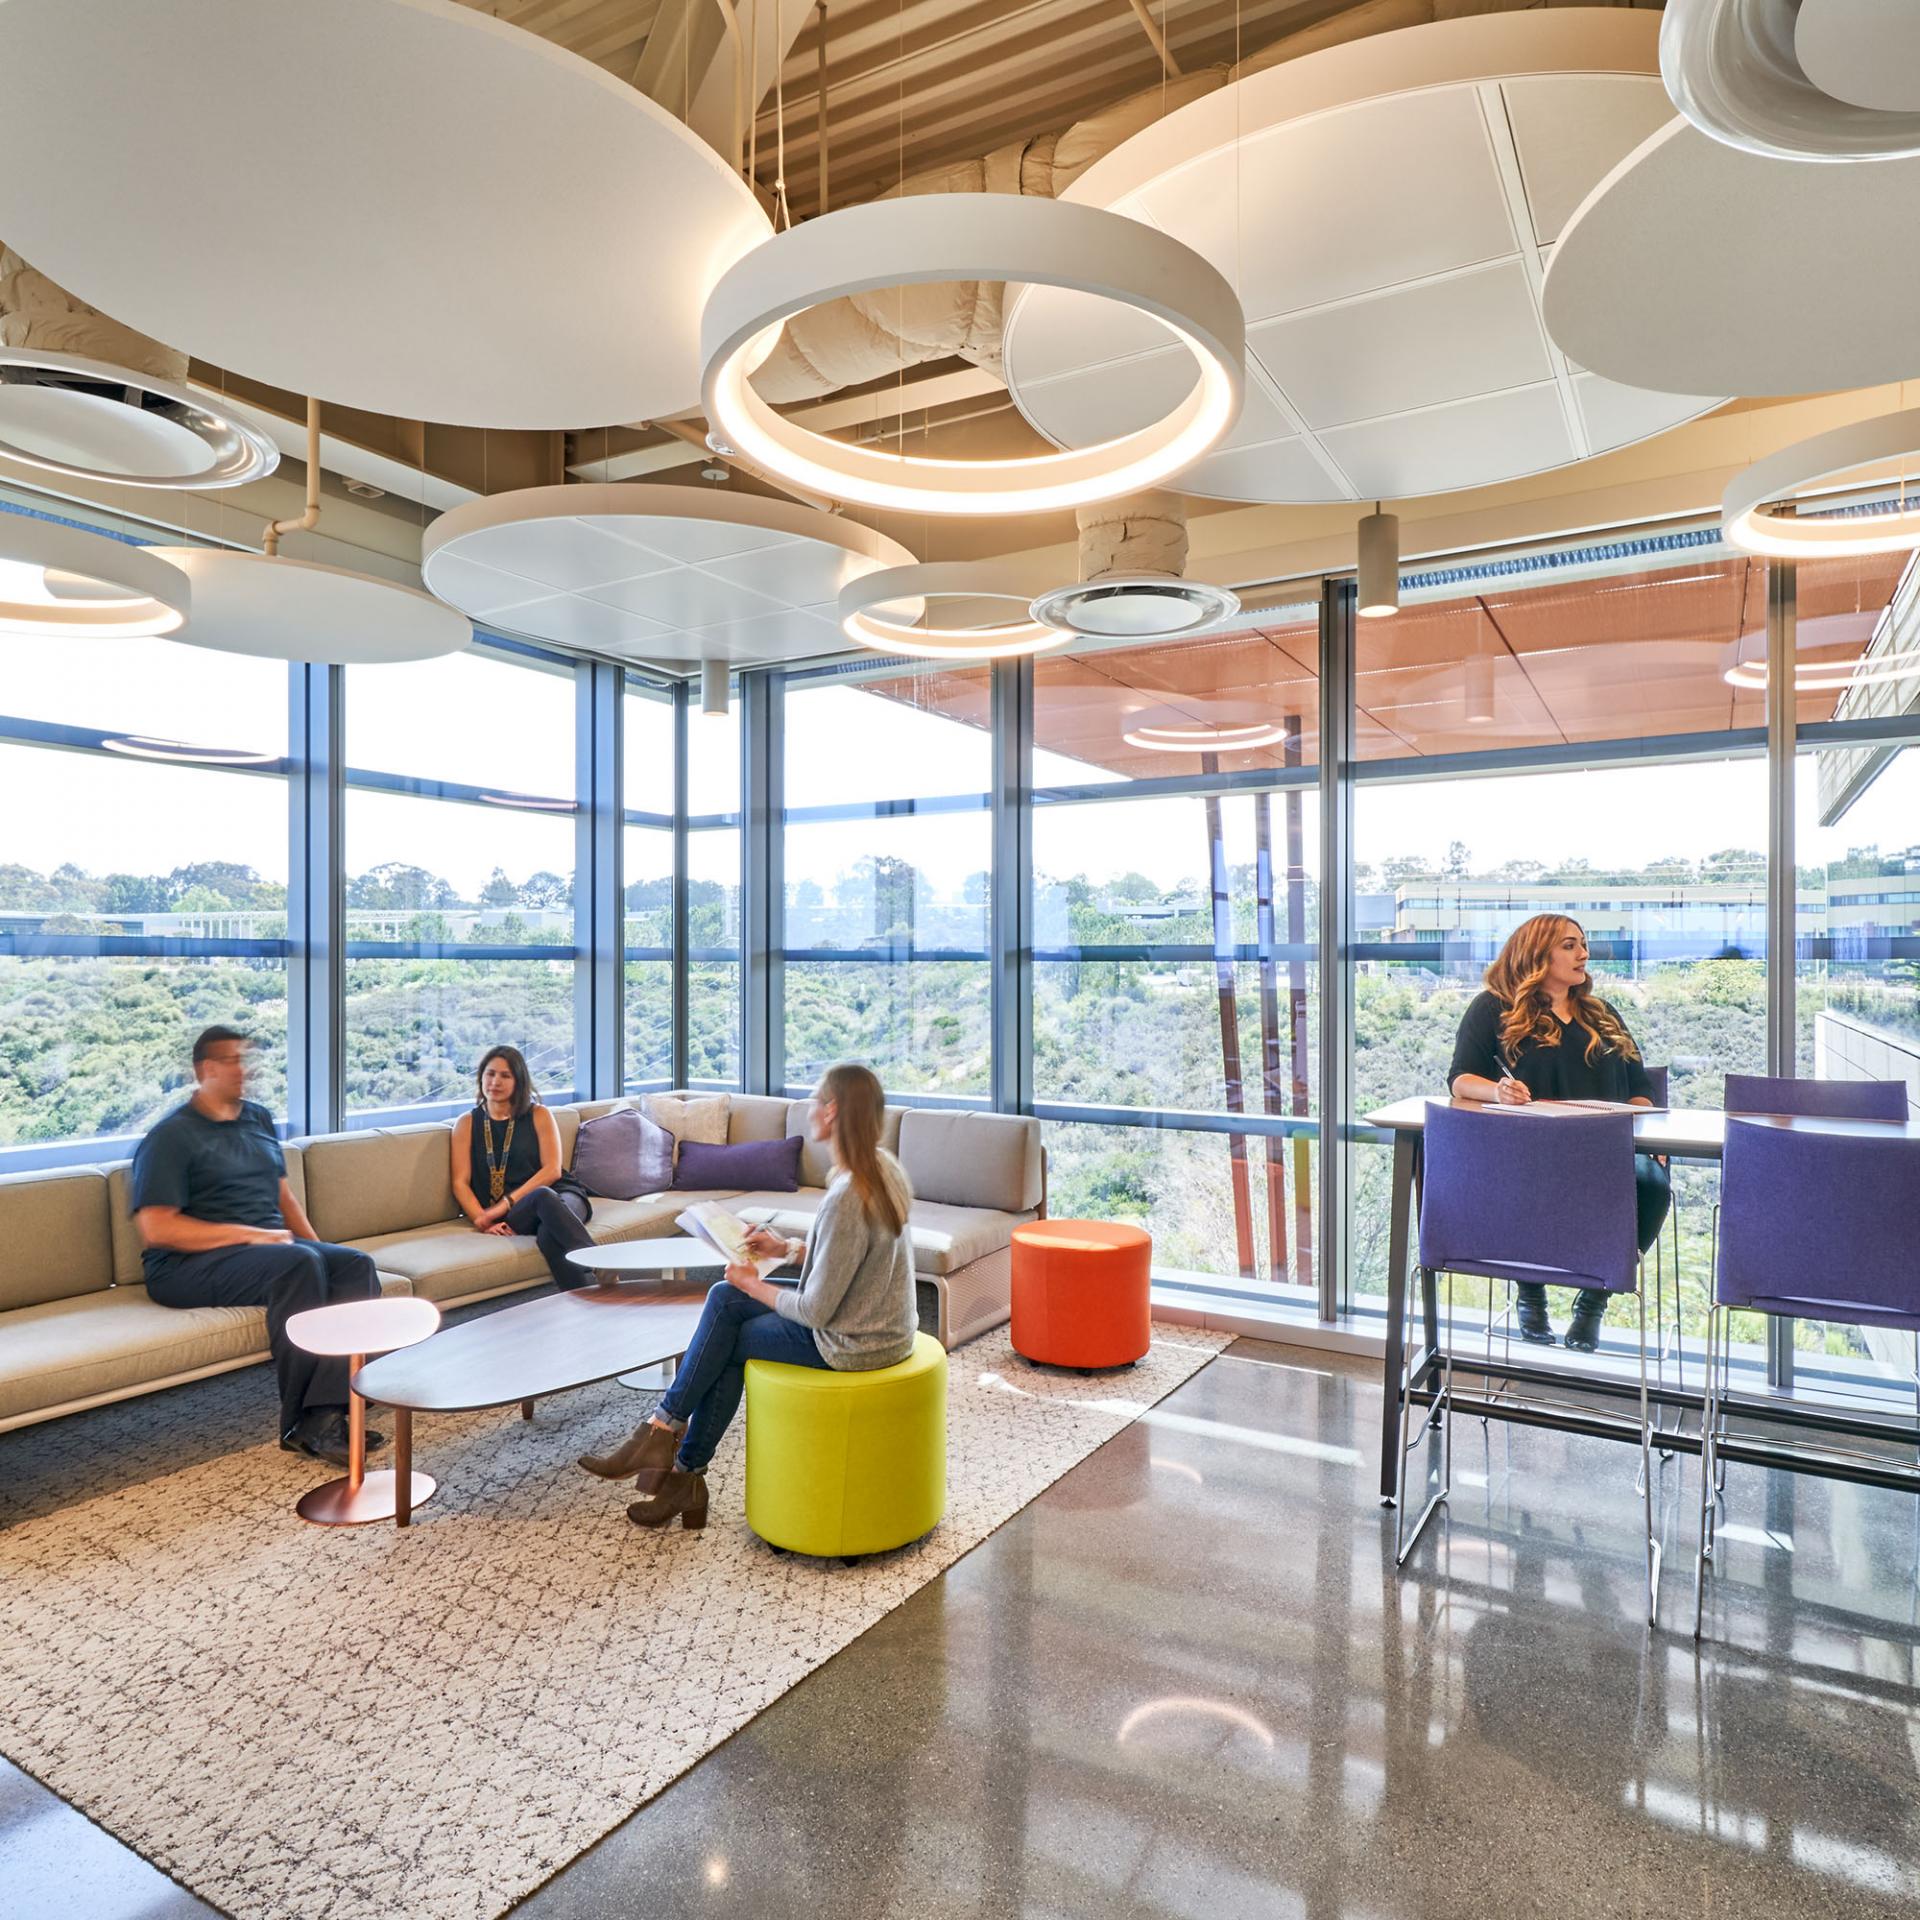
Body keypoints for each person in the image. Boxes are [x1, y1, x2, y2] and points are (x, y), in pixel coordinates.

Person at [577, 1061, 917, 1530]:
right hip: (877, 1323)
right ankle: (671, 1452)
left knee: (728, 1330)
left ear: (833, 1111)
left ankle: (670, 1451)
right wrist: (785, 1249)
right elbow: (848, 1261)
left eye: (816, 1101)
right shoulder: (881, 1168)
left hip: (855, 1341)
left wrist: (752, 1283)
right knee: (724, 1302)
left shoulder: (848, 1194)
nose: (810, 1109)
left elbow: (816, 1309)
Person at [132, 1026, 381, 1465]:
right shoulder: (171, 1136)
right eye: (232, 1060)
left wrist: (323, 1251)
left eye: (246, 1059)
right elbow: (157, 1228)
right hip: (186, 1264)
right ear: (205, 1069)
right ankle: (296, 1422)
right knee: (298, 1266)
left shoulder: (259, 1119)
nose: (243, 1069)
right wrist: (251, 1235)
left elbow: (283, 1196)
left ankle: (324, 1416)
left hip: (267, 1251)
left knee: (354, 1265)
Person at [1447, 913, 1671, 1352]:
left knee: (1652, 1184)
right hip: (1530, 1156)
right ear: (1537, 953)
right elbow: (1459, 1079)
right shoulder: (1493, 1007)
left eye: (1583, 944)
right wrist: (1499, 1091)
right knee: (1515, 1186)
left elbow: (1641, 1090)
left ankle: (1595, 1300)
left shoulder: (1601, 1013)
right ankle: (1529, 1290)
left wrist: (1652, 1141)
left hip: (1606, 1155)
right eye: (1570, 945)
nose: (1583, 954)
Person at [450, 1045, 593, 1289]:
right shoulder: (466, 1123)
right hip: (521, 1214)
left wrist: (498, 1209)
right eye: (490, 1073)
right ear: (481, 1077)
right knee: (542, 1210)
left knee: (549, 1234)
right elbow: (460, 1182)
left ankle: (587, 1303)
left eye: (505, 1076)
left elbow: (552, 1171)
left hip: (562, 1196)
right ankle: (601, 1266)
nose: (495, 1081)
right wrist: (481, 1220)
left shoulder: (538, 1114)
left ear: (519, 1081)